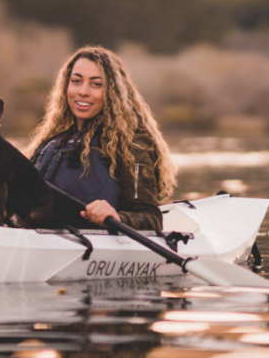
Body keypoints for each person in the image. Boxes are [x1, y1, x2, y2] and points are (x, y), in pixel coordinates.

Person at [27, 46, 177, 231]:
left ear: (112, 92)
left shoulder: (133, 145)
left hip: (95, 248)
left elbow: (151, 218)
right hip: (40, 236)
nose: (83, 91)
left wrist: (117, 217)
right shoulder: (53, 141)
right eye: (76, 81)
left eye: (96, 84)